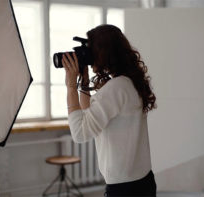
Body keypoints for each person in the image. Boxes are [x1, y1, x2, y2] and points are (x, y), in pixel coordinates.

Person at [62, 24, 157, 197]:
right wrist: (83, 84)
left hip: (124, 189)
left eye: (91, 50)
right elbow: (90, 113)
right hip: (144, 181)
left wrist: (70, 86)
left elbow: (80, 133)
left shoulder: (115, 88)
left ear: (103, 53)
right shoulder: (130, 82)